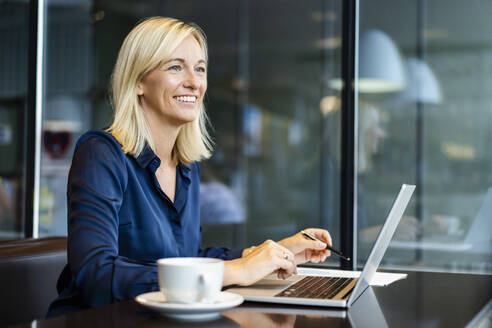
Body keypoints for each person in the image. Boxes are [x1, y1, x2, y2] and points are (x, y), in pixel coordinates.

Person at [47, 17, 333, 317]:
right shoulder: (101, 153)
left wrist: (272, 254)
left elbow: (185, 258)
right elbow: (96, 275)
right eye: (175, 67)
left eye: (199, 68)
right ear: (139, 81)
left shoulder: (185, 165)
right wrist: (234, 271)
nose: (194, 82)